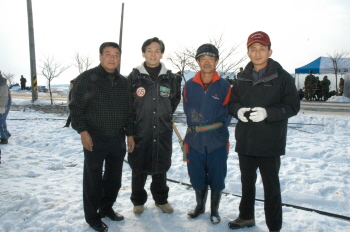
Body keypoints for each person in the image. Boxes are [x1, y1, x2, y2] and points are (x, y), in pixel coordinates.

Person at [228, 31, 300, 232]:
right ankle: (246, 217)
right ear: (248, 52)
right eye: (253, 49)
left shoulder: (283, 77)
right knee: (247, 185)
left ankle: (274, 227)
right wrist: (238, 111)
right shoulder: (242, 77)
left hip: (270, 143)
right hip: (246, 141)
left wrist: (268, 113)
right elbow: (232, 102)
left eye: (262, 48)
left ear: (270, 51)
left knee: (271, 189)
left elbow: (293, 106)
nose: (257, 53)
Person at [69, 42, 134, 232]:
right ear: (100, 56)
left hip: (117, 138)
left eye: (116, 54)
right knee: (93, 180)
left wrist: (130, 134)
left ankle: (106, 208)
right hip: (94, 137)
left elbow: (130, 111)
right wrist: (83, 132)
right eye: (108, 54)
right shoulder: (87, 79)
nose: (112, 58)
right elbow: (76, 108)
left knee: (114, 179)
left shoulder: (124, 82)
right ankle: (92, 217)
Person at [127, 37, 181, 215]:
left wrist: (162, 117)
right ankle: (138, 201)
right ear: (143, 53)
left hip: (163, 131)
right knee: (138, 168)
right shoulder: (134, 76)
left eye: (157, 50)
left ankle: (161, 200)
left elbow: (173, 102)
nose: (153, 54)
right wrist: (130, 133)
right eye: (149, 50)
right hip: (140, 131)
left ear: (162, 54)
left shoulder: (171, 78)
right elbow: (127, 106)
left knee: (160, 167)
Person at [183, 44, 231, 224]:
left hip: (217, 141)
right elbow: (188, 110)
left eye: (211, 59)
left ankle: (214, 210)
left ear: (216, 61)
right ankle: (200, 206)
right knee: (196, 176)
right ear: (197, 61)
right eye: (202, 58)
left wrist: (216, 130)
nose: (207, 62)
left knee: (217, 177)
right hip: (194, 141)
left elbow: (228, 112)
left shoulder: (225, 86)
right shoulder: (189, 86)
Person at [0, 71, 11, 144]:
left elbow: (4, 97)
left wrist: (1, 107)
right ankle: (6, 133)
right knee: (1, 120)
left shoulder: (1, 83)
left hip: (4, 103)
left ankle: (4, 138)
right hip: (2, 103)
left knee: (0, 121)